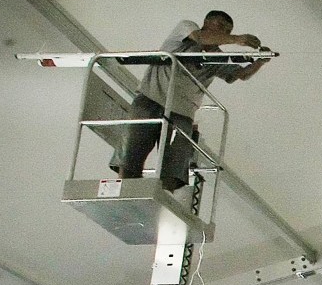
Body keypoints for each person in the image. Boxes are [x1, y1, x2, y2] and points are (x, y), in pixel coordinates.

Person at [115, 11, 270, 190]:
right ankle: (125, 193)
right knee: (131, 156)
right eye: (220, 26)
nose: (224, 33)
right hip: (150, 101)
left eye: (228, 31)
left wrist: (260, 62)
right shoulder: (186, 29)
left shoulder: (217, 57)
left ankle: (164, 201)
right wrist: (236, 39)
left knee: (173, 170)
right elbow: (201, 37)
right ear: (206, 22)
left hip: (182, 114)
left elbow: (238, 74)